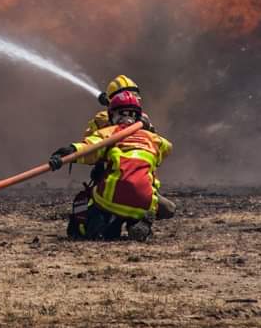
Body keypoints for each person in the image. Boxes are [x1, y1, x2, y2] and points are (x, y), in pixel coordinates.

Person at [49, 75, 174, 241]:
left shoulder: (140, 125)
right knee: (158, 198)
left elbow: (90, 147)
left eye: (135, 95)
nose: (134, 98)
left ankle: (109, 221)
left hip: (111, 191)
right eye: (128, 94)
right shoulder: (112, 122)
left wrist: (70, 152)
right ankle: (141, 220)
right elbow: (164, 147)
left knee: (95, 204)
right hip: (139, 194)